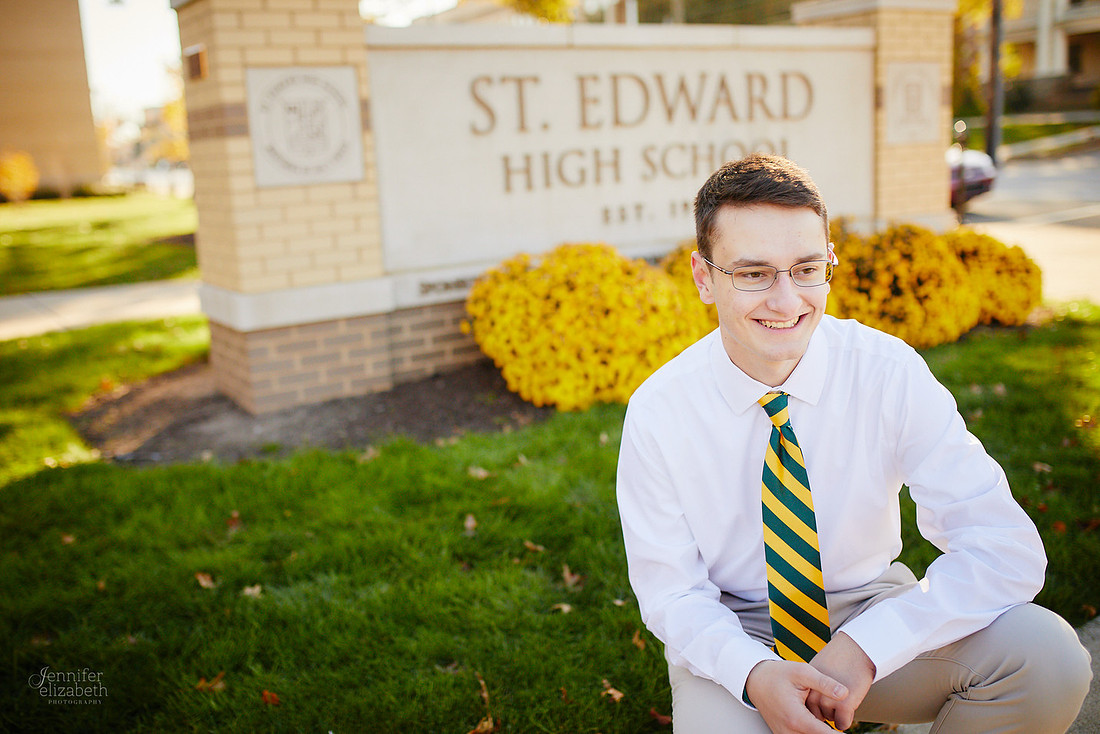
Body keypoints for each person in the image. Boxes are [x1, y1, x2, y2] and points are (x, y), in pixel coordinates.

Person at [616, 154, 1092, 733]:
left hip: (868, 608)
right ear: (703, 277)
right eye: (753, 274)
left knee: (1047, 660)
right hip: (736, 632)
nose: (787, 301)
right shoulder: (659, 411)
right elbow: (672, 593)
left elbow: (1004, 546)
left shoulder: (887, 371)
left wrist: (869, 645)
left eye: (806, 269)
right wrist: (753, 672)